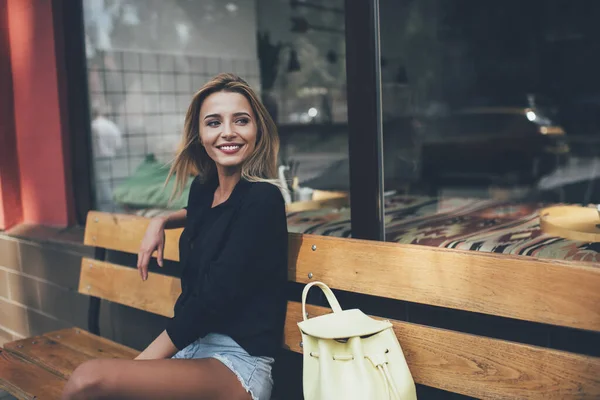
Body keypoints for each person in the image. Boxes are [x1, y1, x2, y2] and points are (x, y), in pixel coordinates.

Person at [62, 73, 289, 400]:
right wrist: (162, 220)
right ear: (199, 135)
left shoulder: (264, 199)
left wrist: (139, 364)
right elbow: (209, 213)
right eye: (214, 122)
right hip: (191, 350)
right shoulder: (204, 189)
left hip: (237, 362)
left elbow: (211, 301)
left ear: (258, 131)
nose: (228, 132)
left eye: (241, 120)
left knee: (88, 380)